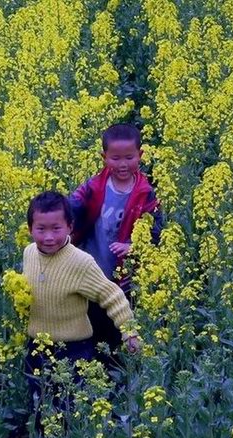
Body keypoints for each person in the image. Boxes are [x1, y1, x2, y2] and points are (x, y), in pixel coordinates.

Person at [22, 191, 139, 407]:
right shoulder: (29, 253)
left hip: (72, 350)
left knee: (70, 407)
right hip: (36, 347)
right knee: (39, 405)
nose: (49, 237)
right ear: (30, 229)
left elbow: (111, 295)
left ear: (70, 227)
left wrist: (129, 332)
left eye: (56, 229)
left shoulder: (81, 262)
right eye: (41, 229)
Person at [69, 123, 162, 358]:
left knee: (118, 322)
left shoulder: (145, 192)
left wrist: (134, 246)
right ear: (104, 157)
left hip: (124, 274)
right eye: (116, 158)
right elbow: (72, 206)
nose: (123, 164)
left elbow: (157, 232)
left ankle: (116, 374)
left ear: (140, 156)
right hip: (91, 269)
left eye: (129, 158)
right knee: (91, 321)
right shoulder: (95, 185)